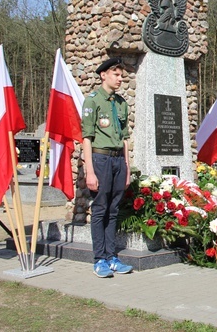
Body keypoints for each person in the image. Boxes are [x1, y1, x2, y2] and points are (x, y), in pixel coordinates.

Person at [81, 57, 133, 278]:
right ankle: (99, 259)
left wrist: (127, 167)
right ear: (104, 75)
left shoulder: (121, 103)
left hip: (118, 161)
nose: (120, 79)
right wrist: (89, 171)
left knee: (114, 210)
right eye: (116, 75)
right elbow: (87, 138)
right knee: (100, 209)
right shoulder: (92, 101)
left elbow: (124, 138)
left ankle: (112, 257)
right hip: (100, 159)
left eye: (121, 75)